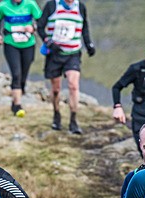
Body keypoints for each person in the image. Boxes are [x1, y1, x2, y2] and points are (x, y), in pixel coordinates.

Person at [37, 0, 95, 134]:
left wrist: (89, 44)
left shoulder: (80, 7)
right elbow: (40, 27)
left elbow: (84, 26)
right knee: (56, 89)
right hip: (54, 54)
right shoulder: (52, 5)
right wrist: (49, 42)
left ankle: (73, 120)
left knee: (73, 85)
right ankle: (56, 115)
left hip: (73, 54)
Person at [0, 0, 43, 118]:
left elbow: (41, 21)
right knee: (16, 73)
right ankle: (17, 106)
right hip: (11, 44)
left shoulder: (30, 4)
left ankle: (17, 96)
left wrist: (33, 27)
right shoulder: (3, 6)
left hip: (28, 44)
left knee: (23, 76)